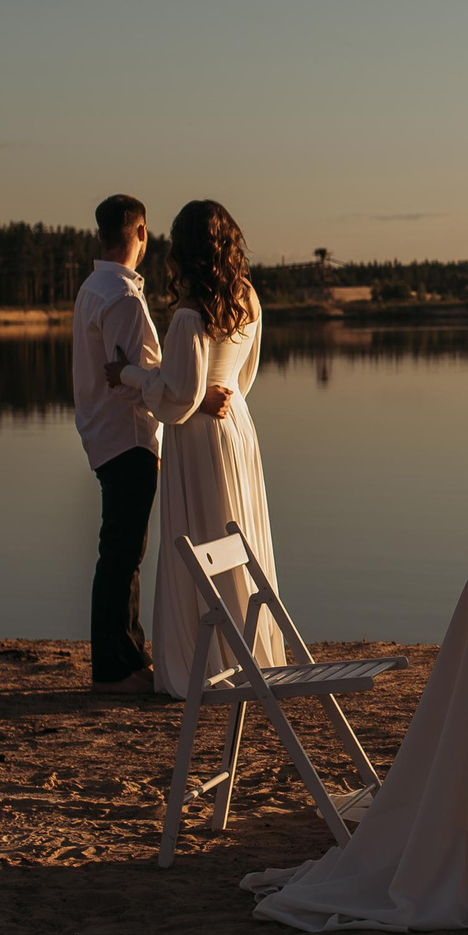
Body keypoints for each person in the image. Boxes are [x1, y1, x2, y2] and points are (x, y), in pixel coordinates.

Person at [106, 199, 286, 699]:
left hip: (199, 441)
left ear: (182, 250)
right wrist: (218, 397)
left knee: (202, 540)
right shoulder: (248, 298)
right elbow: (241, 380)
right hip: (237, 430)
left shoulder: (188, 315)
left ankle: (205, 660)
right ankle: (249, 650)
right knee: (237, 536)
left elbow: (178, 400)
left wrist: (129, 373)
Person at [70, 194, 227, 696]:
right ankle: (115, 669)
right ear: (140, 233)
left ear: (101, 234)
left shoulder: (92, 289)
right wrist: (199, 399)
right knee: (122, 552)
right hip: (130, 436)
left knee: (121, 549)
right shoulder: (123, 298)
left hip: (104, 432)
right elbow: (141, 375)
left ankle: (128, 656)